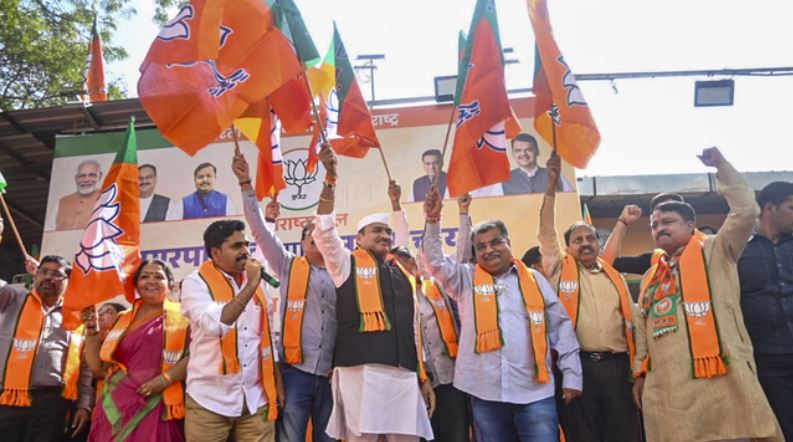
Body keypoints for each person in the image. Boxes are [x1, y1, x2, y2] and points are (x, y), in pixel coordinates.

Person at [631, 147, 782, 442]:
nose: (659, 228)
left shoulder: (717, 250)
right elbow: (642, 328)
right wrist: (639, 374)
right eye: (654, 225)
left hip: (720, 378)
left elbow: (746, 211)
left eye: (667, 222)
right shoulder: (651, 275)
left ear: (690, 225)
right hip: (667, 388)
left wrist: (722, 167)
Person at [421, 186, 582, 442]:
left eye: (495, 242)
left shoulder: (535, 280)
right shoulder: (465, 280)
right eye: (481, 246)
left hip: (534, 391)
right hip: (486, 393)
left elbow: (560, 328)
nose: (489, 250)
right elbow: (434, 262)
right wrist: (432, 219)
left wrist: (572, 374)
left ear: (509, 244)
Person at [312, 143, 435, 441]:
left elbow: (413, 330)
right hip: (360, 372)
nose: (384, 235)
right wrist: (330, 179)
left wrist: (422, 376)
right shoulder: (346, 265)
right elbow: (325, 231)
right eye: (376, 231)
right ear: (359, 239)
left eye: (387, 232)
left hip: (403, 372)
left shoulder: (401, 272)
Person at [232, 151, 338, 442]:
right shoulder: (288, 265)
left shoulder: (342, 271)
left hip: (332, 373)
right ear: (302, 242)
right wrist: (245, 184)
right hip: (295, 372)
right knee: (290, 438)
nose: (316, 238)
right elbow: (259, 230)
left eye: (321, 234)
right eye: (311, 234)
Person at [538, 154, 641, 442]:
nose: (585, 244)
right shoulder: (558, 268)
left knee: (625, 434)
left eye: (590, 239)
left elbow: (633, 323)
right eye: (578, 240)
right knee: (584, 435)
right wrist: (550, 185)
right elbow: (546, 230)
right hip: (576, 368)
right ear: (568, 247)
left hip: (618, 368)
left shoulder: (613, 276)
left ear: (598, 243)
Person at [180, 220, 282, 442]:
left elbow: (266, 339)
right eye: (237, 246)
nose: (245, 251)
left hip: (256, 399)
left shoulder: (256, 280)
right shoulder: (195, 283)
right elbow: (217, 325)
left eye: (246, 245)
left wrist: (278, 384)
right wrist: (250, 286)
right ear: (216, 254)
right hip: (209, 401)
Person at [82, 260, 189, 442]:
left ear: (171, 284)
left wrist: (164, 380)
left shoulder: (185, 317)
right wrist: (92, 330)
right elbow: (98, 367)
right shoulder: (122, 318)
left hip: (156, 401)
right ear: (136, 285)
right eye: (144, 276)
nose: (151, 281)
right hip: (114, 403)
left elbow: (194, 357)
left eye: (158, 276)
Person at [0, 256, 93, 442]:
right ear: (35, 275)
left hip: (52, 403)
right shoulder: (13, 298)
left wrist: (84, 404)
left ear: (68, 281)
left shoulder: (77, 315)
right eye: (44, 272)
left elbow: (84, 365)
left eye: (56, 274)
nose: (48, 277)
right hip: (8, 398)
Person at [738, 181, 793, 441]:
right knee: (782, 427)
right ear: (770, 208)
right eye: (791, 208)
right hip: (767, 358)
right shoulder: (739, 251)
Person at [601, 193, 685, 275]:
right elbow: (606, 264)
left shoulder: (693, 251)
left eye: (668, 221)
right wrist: (623, 222)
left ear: (688, 222)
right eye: (655, 224)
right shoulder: (653, 260)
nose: (661, 228)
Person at [501, 134, 572, 195]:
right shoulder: (503, 181)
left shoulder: (556, 176)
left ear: (537, 151)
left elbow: (571, 200)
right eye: (518, 150)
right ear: (513, 154)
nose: (523, 154)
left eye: (528, 149)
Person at [168, 163, 237, 220]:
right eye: (200, 177)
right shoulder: (183, 203)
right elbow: (172, 227)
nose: (204, 180)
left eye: (208, 176)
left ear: (215, 178)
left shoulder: (226, 201)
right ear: (194, 180)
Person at [54, 159, 103, 230]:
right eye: (82, 176)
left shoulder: (107, 198)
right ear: (76, 178)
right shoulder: (62, 202)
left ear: (100, 176)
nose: (86, 180)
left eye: (92, 175)